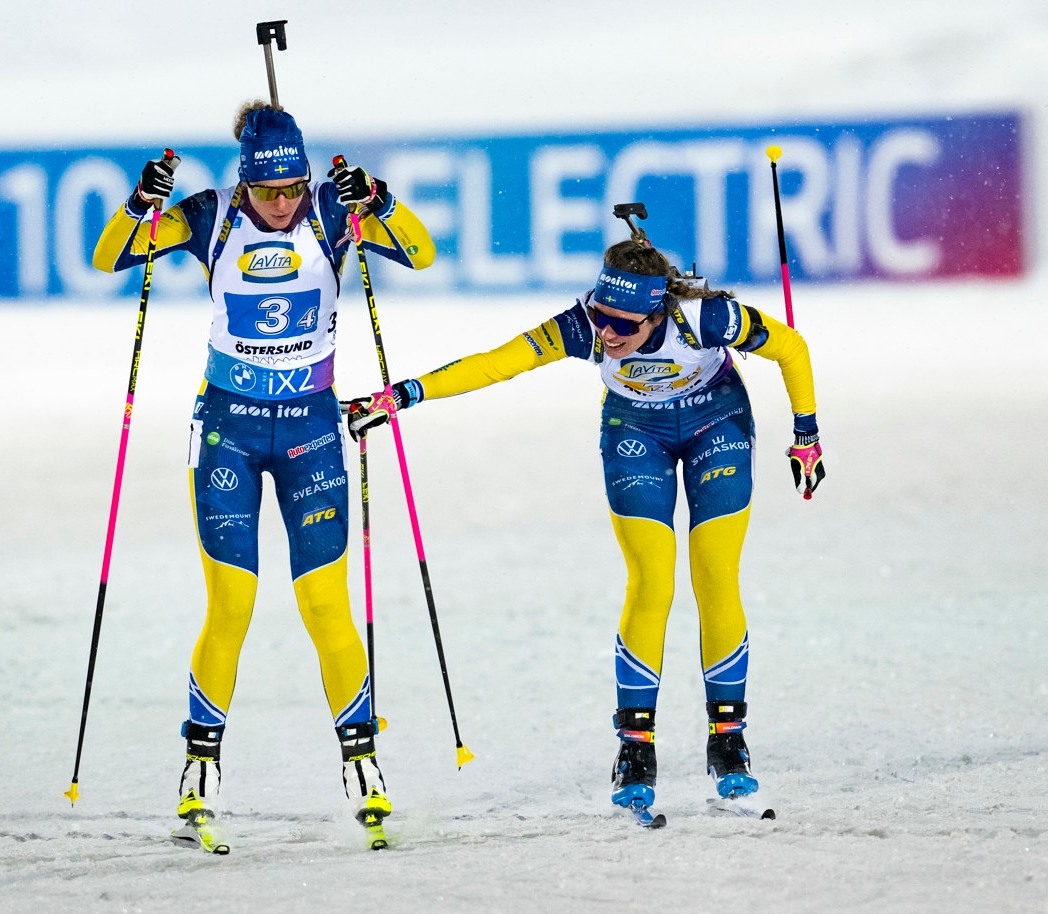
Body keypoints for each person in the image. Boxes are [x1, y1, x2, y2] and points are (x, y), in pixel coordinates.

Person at [347, 232, 823, 817]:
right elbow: (498, 363)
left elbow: (791, 347)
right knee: (652, 583)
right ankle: (636, 749)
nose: (608, 334)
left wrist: (806, 435)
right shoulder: (582, 326)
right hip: (635, 431)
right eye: (601, 316)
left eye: (624, 324)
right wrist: (404, 395)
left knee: (715, 577)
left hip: (715, 423)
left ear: (658, 312)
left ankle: (728, 742)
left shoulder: (707, 318)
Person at [92, 101, 435, 852]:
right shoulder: (211, 215)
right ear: (244, 182)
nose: (282, 205)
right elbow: (110, 257)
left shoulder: (333, 213)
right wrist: (140, 203)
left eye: (293, 189)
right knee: (232, 604)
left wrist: (380, 201)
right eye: (268, 192)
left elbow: (421, 253)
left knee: (325, 604)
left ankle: (363, 763)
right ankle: (200, 769)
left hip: (311, 431)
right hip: (229, 433)